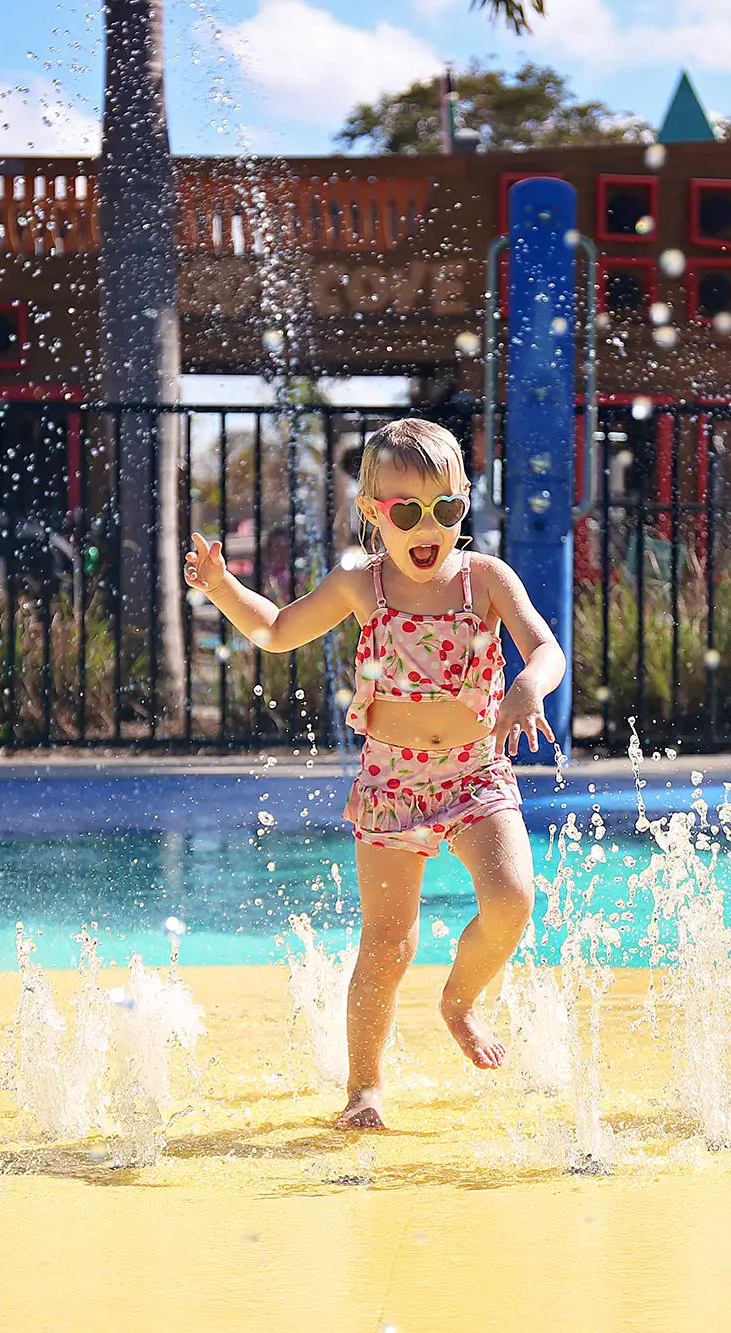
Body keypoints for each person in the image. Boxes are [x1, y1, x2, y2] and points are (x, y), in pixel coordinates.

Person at [184, 418, 565, 1128]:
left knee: (512, 900)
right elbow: (275, 630)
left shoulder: (484, 579)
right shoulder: (362, 583)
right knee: (387, 942)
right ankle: (365, 1086)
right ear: (372, 514)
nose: (429, 527)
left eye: (446, 509)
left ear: (464, 506)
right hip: (392, 785)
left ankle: (458, 1000)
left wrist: (529, 687)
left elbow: (546, 647)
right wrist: (221, 586)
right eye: (406, 510)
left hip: (475, 773)